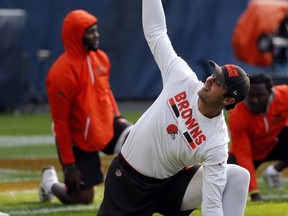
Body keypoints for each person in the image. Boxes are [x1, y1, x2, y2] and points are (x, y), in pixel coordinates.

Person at [97, 0, 251, 215]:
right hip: (128, 181)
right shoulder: (182, 79)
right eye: (214, 74)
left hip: (170, 186)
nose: (209, 80)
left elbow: (212, 202)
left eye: (218, 82)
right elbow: (156, 33)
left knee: (238, 176)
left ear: (227, 101)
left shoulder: (217, 141)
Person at [39, 9, 133, 205]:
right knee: (83, 198)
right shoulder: (60, 74)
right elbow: (60, 123)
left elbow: (106, 92)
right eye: (90, 32)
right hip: (77, 138)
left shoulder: (101, 58)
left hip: (105, 123)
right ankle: (49, 184)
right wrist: (69, 165)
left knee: (138, 139)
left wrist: (117, 116)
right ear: (76, 35)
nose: (96, 35)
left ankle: (144, 189)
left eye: (96, 30)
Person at [228, 73, 288, 201]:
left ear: (270, 93)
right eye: (251, 95)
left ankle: (274, 171)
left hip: (274, 144)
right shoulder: (238, 112)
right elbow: (243, 153)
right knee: (226, 176)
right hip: (250, 152)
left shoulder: (284, 95)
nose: (255, 100)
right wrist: (254, 193)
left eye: (260, 95)